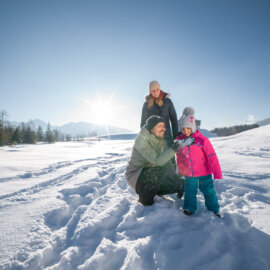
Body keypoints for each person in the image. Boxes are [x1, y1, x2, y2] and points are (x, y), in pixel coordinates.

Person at [126, 115, 193, 206]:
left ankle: (178, 186)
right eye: (160, 126)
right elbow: (157, 161)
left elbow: (166, 163)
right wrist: (174, 149)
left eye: (164, 126)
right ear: (151, 128)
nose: (163, 129)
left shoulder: (161, 140)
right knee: (155, 172)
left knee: (167, 171)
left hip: (153, 172)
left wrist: (180, 184)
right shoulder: (141, 140)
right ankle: (145, 199)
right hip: (136, 175)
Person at [175, 107, 223, 217]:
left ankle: (214, 209)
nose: (186, 131)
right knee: (189, 191)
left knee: (208, 191)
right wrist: (180, 172)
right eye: (183, 129)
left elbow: (212, 157)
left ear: (193, 127)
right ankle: (189, 208)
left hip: (204, 172)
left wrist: (217, 173)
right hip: (189, 174)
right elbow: (179, 157)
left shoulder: (202, 140)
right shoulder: (180, 141)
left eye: (188, 128)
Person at [141, 80, 178, 146]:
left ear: (160, 89)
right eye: (153, 91)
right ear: (150, 91)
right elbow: (143, 124)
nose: (155, 93)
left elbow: (174, 120)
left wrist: (176, 137)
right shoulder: (146, 104)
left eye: (157, 89)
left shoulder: (167, 102)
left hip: (167, 140)